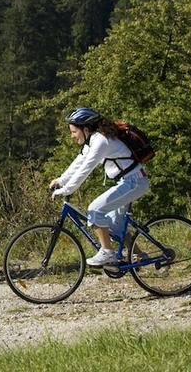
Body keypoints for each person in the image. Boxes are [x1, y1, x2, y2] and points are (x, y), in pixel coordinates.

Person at [49, 107, 150, 266]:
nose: (72, 136)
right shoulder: (94, 140)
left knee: (95, 210)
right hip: (129, 181)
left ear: (86, 129)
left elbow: (86, 169)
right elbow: (80, 161)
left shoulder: (100, 141)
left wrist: (66, 190)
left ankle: (107, 253)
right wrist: (61, 180)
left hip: (134, 182)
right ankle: (140, 256)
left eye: (74, 132)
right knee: (113, 227)